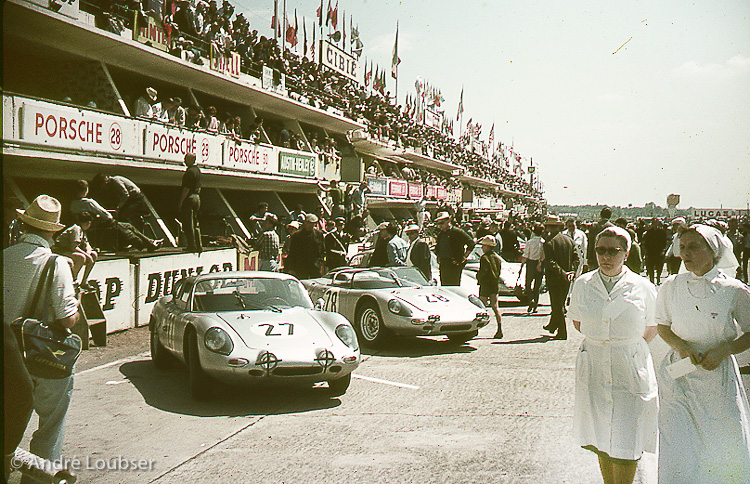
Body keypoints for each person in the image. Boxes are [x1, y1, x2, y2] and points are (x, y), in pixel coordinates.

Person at [655, 224, 750, 482]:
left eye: (694, 247)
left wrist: (725, 350)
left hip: (717, 377)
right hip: (680, 373)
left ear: (713, 250)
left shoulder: (733, 290)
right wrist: (682, 347)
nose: (685, 253)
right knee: (679, 442)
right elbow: (663, 326)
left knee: (720, 442)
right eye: (682, 247)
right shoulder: (671, 285)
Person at [568, 226, 658, 484]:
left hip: (628, 366)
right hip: (594, 363)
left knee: (627, 437)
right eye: (600, 250)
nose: (605, 256)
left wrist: (627, 347)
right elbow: (577, 322)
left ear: (626, 253)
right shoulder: (583, 284)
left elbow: (652, 326)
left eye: (613, 251)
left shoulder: (643, 287)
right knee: (601, 433)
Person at [3, 195, 80, 475]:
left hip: (6, 359)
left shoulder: (4, 256)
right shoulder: (57, 263)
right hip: (40, 358)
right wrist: (78, 304)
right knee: (50, 425)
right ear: (52, 231)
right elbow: (66, 317)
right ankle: (41, 477)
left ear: (25, 224)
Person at [69, 180, 161, 252]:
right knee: (127, 230)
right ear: (86, 190)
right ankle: (148, 244)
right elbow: (106, 215)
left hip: (89, 225)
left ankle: (151, 243)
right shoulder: (89, 202)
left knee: (128, 226)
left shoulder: (73, 204)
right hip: (101, 224)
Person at [542, 218, 578, 340]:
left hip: (555, 278)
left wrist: (563, 273)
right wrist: (571, 272)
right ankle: (553, 326)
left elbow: (551, 262)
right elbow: (576, 259)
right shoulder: (569, 240)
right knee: (560, 303)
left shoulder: (548, 242)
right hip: (567, 278)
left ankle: (562, 332)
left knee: (557, 306)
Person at [52, 212, 98, 288]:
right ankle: (73, 280)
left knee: (94, 254)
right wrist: (87, 256)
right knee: (80, 257)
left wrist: (88, 253)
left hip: (68, 251)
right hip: (60, 250)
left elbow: (87, 245)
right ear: (88, 223)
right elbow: (74, 247)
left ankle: (84, 281)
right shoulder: (76, 229)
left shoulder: (83, 231)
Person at [434, 212, 474, 286]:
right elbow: (438, 247)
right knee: (444, 287)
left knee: (454, 286)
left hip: (454, 264)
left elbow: (471, 243)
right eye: (438, 224)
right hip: (444, 264)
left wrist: (463, 258)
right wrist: (438, 256)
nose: (440, 226)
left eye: (442, 223)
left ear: (448, 220)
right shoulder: (440, 234)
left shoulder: (457, 232)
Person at [476, 235, 504, 339]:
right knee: (495, 307)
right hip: (494, 284)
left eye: (483, 246)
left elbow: (483, 271)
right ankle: (499, 328)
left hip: (485, 285)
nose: (482, 248)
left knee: (481, 306)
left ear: (487, 247)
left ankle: (475, 329)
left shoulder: (484, 258)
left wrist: (478, 276)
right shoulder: (497, 258)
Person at [284, 213, 325, 279]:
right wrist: (291, 268)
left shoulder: (319, 234)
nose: (309, 225)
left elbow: (322, 250)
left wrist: (319, 263)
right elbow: (292, 252)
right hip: (301, 266)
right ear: (304, 222)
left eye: (312, 223)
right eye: (308, 223)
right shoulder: (296, 235)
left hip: (314, 266)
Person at [177, 152, 202, 253]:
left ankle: (191, 246)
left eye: (186, 159)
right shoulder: (198, 171)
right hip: (197, 197)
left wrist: (180, 202)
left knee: (188, 223)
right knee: (196, 223)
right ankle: (199, 245)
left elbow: (186, 189)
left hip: (190, 198)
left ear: (191, 160)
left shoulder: (190, 172)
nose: (184, 161)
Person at [519, 223, 545, 313]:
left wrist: (522, 265)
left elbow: (526, 255)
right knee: (537, 286)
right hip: (539, 264)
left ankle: (531, 299)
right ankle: (535, 305)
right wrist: (540, 263)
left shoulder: (530, 242)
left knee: (528, 284)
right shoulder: (543, 242)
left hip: (531, 263)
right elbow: (543, 256)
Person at [642, 218, 668, 284]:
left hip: (659, 252)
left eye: (656, 223)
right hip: (651, 252)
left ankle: (658, 279)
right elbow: (646, 243)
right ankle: (652, 280)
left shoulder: (662, 232)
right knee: (650, 267)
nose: (654, 224)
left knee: (659, 266)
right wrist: (646, 252)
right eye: (653, 223)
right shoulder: (649, 232)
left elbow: (664, 242)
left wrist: (663, 250)